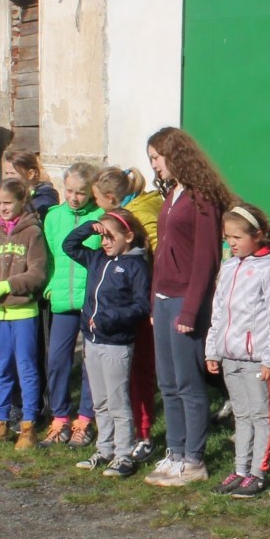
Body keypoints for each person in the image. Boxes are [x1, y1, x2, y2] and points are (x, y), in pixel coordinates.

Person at [144, 127, 237, 488]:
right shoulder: (172, 194)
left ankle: (194, 460)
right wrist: (154, 301)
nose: (154, 165)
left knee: (188, 383)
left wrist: (191, 310)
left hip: (186, 301)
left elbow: (205, 259)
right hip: (164, 300)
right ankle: (175, 452)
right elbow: (161, 253)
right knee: (167, 383)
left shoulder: (203, 198)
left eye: (157, 157)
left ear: (175, 154)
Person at [204, 204, 270, 498]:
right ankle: (240, 470)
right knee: (241, 416)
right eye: (227, 237)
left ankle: (258, 473)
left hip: (257, 361)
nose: (231, 243)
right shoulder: (229, 267)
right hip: (230, 358)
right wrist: (213, 350)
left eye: (237, 237)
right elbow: (219, 312)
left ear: (258, 235)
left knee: (260, 416)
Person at [63, 210, 153, 478]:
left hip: (116, 344)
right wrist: (90, 228)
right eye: (101, 236)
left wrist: (109, 318)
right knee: (100, 401)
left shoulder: (136, 266)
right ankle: (104, 450)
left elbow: (141, 306)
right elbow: (69, 246)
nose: (104, 242)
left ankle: (123, 455)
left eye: (110, 236)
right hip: (92, 341)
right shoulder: (97, 259)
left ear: (129, 236)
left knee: (117, 401)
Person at [0, 179, 48, 451]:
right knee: (2, 369)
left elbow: (37, 273)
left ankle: (28, 426)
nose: (2, 208)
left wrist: (6, 286)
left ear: (21, 201)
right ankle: (1, 422)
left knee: (26, 369)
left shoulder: (32, 232)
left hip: (24, 311)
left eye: (8, 203)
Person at [93, 167, 160, 461]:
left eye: (97, 200)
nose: (96, 207)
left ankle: (142, 434)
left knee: (139, 371)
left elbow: (160, 255)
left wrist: (153, 295)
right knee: (127, 375)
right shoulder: (127, 215)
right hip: (125, 305)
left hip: (141, 307)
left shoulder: (138, 215)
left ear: (111, 198)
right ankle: (121, 434)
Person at [40, 162, 104, 449]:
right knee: (57, 360)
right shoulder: (53, 216)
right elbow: (48, 256)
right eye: (69, 191)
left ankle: (85, 419)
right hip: (62, 300)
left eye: (80, 192)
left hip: (91, 301)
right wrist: (50, 285)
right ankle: (60, 418)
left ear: (91, 192)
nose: (74, 198)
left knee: (91, 362)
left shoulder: (101, 216)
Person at [3, 149, 61, 216]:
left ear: (30, 174)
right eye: (6, 173)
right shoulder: (7, 196)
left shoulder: (45, 197)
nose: (8, 178)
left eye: (12, 173)